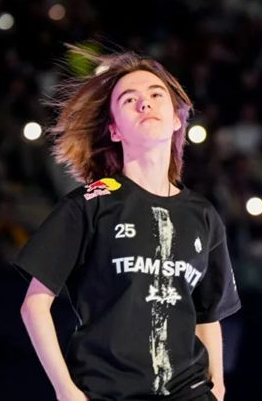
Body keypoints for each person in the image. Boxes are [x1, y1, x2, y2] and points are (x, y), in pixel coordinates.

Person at [14, 48, 241, 401]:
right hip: (109, 392)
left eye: (156, 95)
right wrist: (66, 390)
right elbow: (34, 305)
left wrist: (218, 385)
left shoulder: (203, 215)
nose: (144, 103)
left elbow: (207, 314)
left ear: (177, 119)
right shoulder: (90, 204)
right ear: (114, 130)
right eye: (129, 99)